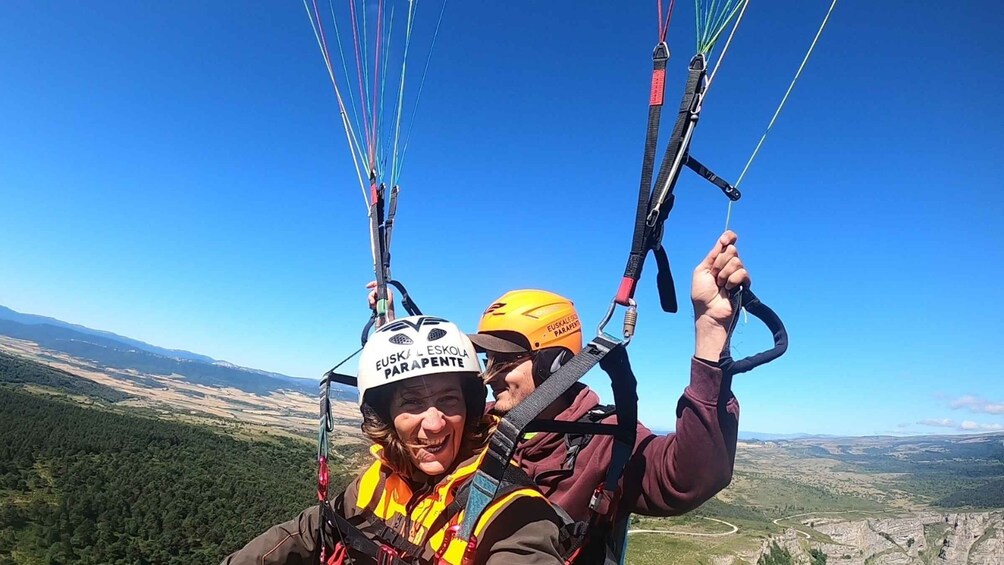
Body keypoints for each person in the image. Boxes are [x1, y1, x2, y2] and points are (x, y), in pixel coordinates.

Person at [371, 230, 748, 526]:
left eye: (506, 360)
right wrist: (389, 333)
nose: (490, 376)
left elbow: (690, 477)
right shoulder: (478, 423)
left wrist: (711, 333)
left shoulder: (604, 440)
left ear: (553, 364)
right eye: (489, 359)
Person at [222, 316, 564, 565]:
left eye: (448, 400)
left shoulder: (513, 512)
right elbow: (316, 527)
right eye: (412, 403)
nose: (433, 423)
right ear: (385, 418)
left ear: (470, 408)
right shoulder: (384, 479)